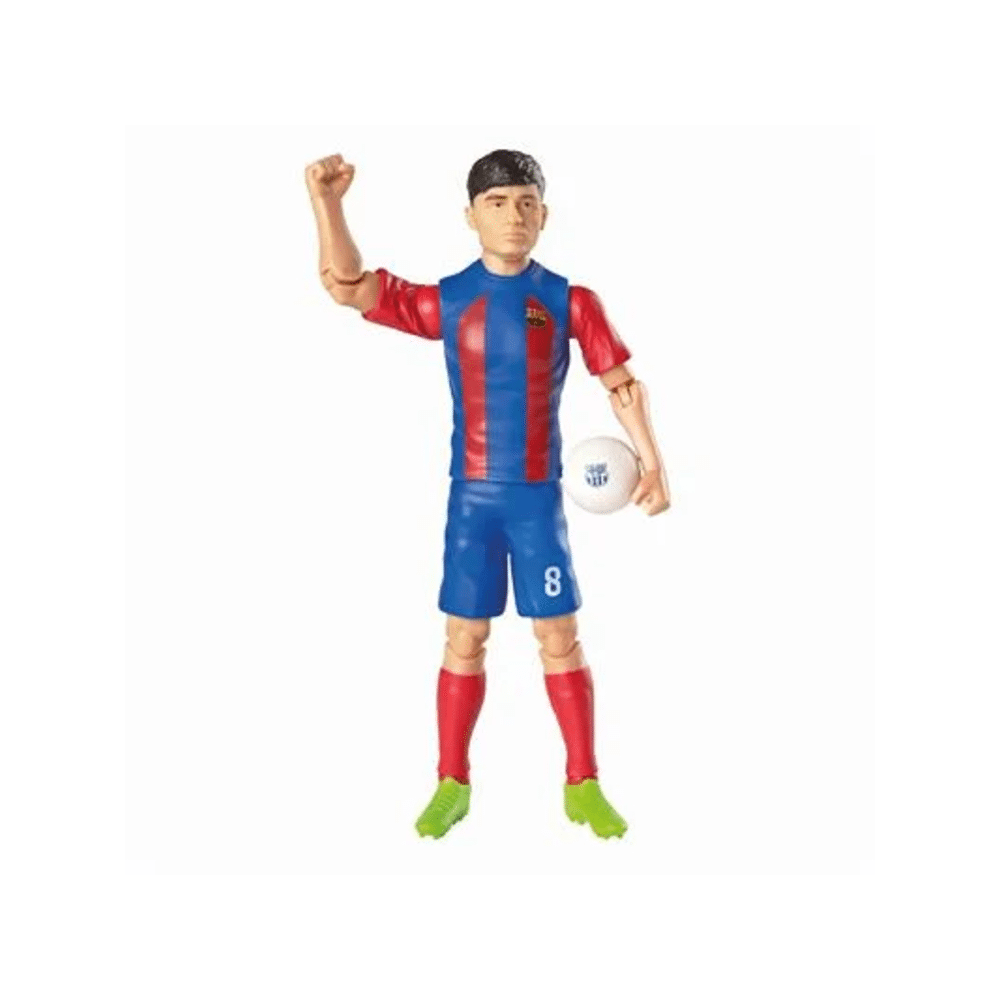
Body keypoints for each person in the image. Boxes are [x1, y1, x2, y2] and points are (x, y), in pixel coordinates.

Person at [306, 149, 670, 838]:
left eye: (526, 203)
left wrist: (654, 463)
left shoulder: (569, 300)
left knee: (559, 635)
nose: (513, 216)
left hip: (538, 501)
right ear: (470, 216)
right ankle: (452, 781)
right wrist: (327, 203)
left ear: (545, 215)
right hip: (472, 501)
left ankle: (584, 784)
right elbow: (346, 284)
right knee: (464, 636)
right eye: (497, 203)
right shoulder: (452, 299)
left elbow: (622, 384)